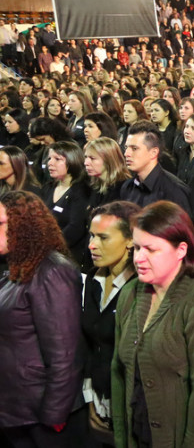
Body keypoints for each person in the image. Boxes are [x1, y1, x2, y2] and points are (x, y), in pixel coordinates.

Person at [111, 201, 194, 448]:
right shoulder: (131, 293)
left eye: (151, 249)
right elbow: (119, 372)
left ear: (181, 250)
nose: (139, 258)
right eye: (137, 248)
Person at [0, 191, 83, 448]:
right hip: (16, 410)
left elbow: (65, 354)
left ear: (23, 225)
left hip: (41, 418)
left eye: (0, 223)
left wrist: (54, 415)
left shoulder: (52, 271)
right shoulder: (16, 267)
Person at [81, 201, 142, 445]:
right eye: (92, 236)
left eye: (103, 238)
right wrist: (89, 399)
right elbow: (89, 345)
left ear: (130, 241)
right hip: (96, 403)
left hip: (129, 411)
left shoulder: (141, 288)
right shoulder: (92, 280)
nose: (92, 245)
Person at [120, 120, 193, 214]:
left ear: (153, 152)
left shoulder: (174, 191)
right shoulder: (127, 187)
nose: (126, 154)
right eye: (126, 148)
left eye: (134, 148)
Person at [42, 140, 92, 270]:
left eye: (57, 159)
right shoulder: (48, 187)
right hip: (45, 254)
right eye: (49, 158)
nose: (50, 163)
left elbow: (75, 228)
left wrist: (49, 245)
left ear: (72, 161)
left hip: (68, 258)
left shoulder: (81, 190)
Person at [84, 137, 132, 208]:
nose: (86, 163)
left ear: (109, 159)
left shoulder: (124, 189)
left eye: (92, 158)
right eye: (86, 157)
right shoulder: (97, 186)